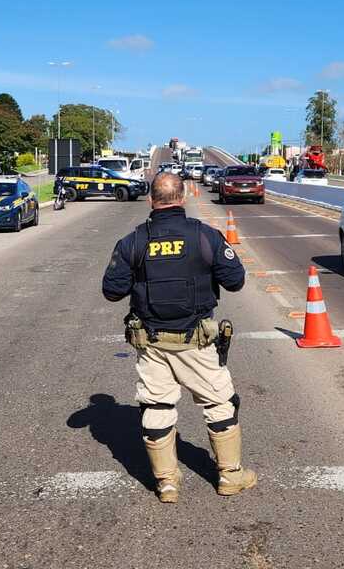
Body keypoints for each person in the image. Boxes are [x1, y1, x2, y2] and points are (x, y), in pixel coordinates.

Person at [101, 172, 256, 503]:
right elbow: (235, 281)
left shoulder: (133, 241)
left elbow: (112, 291)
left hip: (152, 343)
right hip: (196, 342)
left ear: (150, 200)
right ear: (183, 198)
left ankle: (167, 482)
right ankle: (230, 476)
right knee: (219, 403)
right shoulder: (205, 236)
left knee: (157, 406)